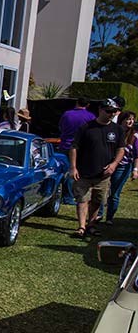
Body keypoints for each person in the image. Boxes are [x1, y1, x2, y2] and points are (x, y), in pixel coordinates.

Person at [69, 97, 125, 238]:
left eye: (114, 111)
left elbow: (121, 149)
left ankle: (91, 225)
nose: (111, 114)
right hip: (84, 172)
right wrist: (73, 167)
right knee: (82, 199)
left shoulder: (117, 129)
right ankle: (81, 227)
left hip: (104, 174)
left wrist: (114, 164)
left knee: (97, 201)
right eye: (108, 111)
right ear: (100, 110)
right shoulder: (86, 128)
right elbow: (74, 147)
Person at [58, 97, 95, 204]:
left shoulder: (67, 114)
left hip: (64, 145)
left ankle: (61, 194)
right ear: (87, 105)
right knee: (74, 173)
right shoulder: (90, 117)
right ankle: (69, 196)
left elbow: (61, 127)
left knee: (64, 171)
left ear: (76, 103)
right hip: (80, 148)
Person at [103, 110, 138, 224]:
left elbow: (137, 155)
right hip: (107, 164)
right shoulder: (113, 132)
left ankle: (109, 218)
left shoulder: (135, 136)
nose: (130, 121)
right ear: (121, 120)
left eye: (132, 119)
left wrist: (135, 169)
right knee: (101, 191)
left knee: (114, 193)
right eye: (128, 119)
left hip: (123, 167)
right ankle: (97, 215)